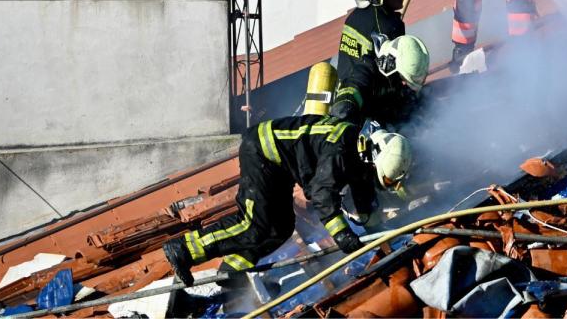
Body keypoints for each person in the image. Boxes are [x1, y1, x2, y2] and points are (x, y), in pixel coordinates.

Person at [162, 35, 426, 287]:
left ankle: (232, 272)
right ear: (373, 156)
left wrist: (374, 227)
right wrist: (343, 235)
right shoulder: (341, 151)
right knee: (253, 224)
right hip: (263, 152)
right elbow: (323, 197)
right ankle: (183, 249)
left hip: (279, 164)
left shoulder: (358, 150)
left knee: (280, 227)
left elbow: (361, 189)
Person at [331, 0, 419, 125]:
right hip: (373, 104)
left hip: (348, 96)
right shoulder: (388, 26)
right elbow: (393, 72)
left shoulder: (355, 16)